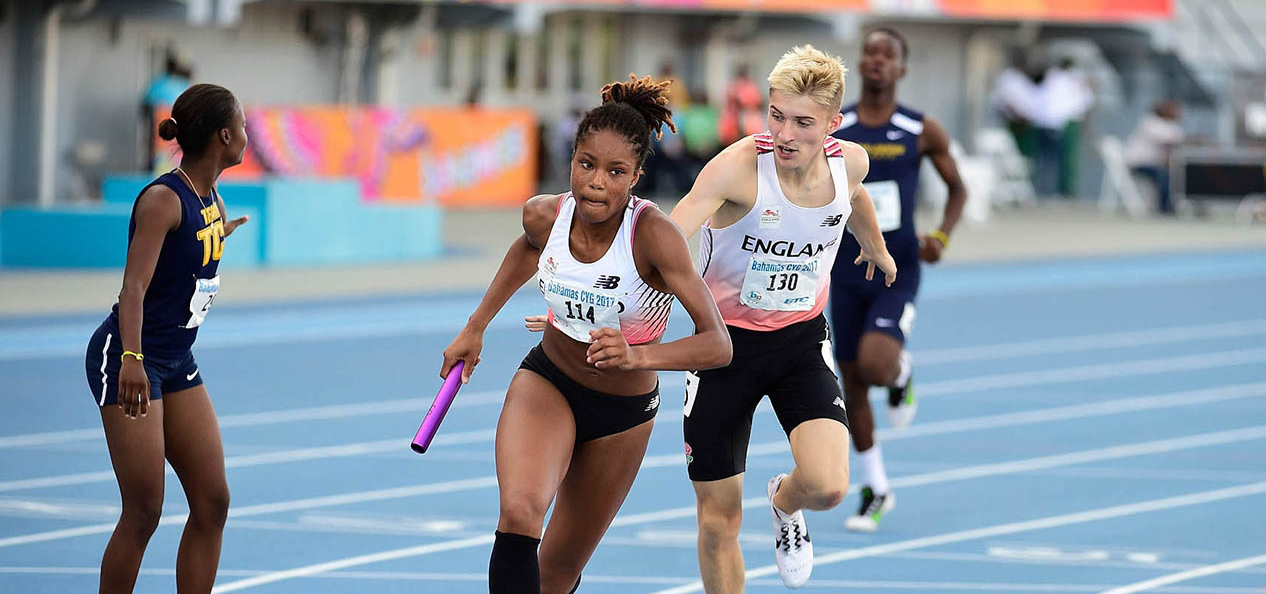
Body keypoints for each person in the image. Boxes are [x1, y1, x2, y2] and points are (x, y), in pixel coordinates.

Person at [441, 74, 732, 594]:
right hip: (548, 383)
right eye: (586, 164)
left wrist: (637, 356)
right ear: (571, 160)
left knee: (555, 573)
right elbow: (528, 249)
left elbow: (717, 345)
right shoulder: (545, 215)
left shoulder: (654, 238)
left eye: (615, 172)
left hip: (622, 415)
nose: (597, 182)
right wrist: (475, 326)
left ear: (636, 176)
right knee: (520, 512)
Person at [673, 45, 895, 589]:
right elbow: (667, 236)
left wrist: (875, 246)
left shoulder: (851, 163)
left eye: (802, 123)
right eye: (776, 116)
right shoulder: (738, 168)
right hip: (723, 350)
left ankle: (783, 500)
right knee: (718, 522)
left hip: (799, 344)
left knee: (828, 487)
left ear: (832, 124)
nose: (784, 135)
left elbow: (854, 198)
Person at [85, 83, 250, 593]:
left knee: (213, 501)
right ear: (224, 136)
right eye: (243, 126)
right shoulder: (163, 199)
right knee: (144, 510)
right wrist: (132, 358)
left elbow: (185, 260)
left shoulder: (210, 197)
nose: (247, 135)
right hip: (130, 356)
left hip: (176, 358)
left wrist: (217, 235)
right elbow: (133, 288)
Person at [829, 28, 967, 533]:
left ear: (902, 69)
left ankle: (900, 372)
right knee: (852, 386)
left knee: (875, 364)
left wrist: (941, 237)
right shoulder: (836, 127)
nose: (877, 61)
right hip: (845, 268)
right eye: (870, 52)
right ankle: (876, 488)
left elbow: (958, 190)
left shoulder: (920, 128)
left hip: (896, 268)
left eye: (887, 55)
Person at [1124, 100, 1184, 215]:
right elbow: (1171, 140)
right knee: (1163, 175)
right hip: (1139, 163)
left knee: (1175, 174)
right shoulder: (1150, 122)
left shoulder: (1169, 125)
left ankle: (1173, 205)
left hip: (1152, 163)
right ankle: (1164, 208)